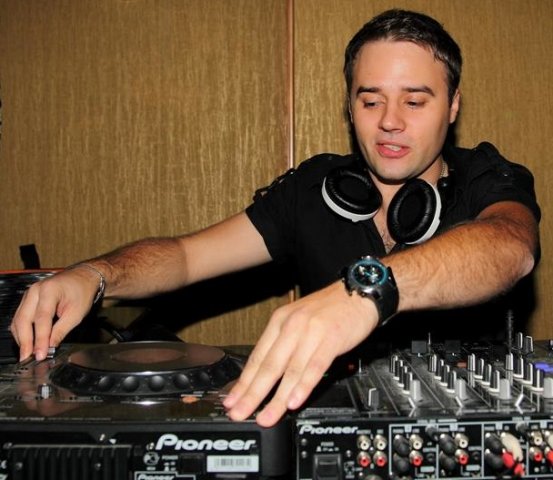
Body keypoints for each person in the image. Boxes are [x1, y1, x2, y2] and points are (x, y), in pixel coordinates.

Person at [10, 9, 540, 428]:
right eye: (370, 101)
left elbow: (509, 247)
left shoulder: (485, 177)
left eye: (415, 102)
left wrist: (370, 291)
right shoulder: (313, 190)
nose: (390, 122)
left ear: (453, 105)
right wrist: (96, 274)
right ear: (349, 105)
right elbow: (187, 255)